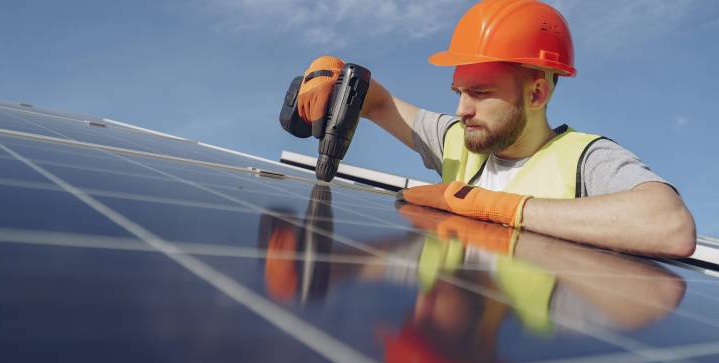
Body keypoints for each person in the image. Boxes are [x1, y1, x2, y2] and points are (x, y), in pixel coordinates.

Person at [294, 0, 695, 257]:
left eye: (481, 93)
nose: (461, 110)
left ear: (536, 94)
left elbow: (670, 226)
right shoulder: (460, 140)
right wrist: (333, 72)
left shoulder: (584, 158)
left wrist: (491, 206)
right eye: (459, 91)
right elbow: (377, 102)